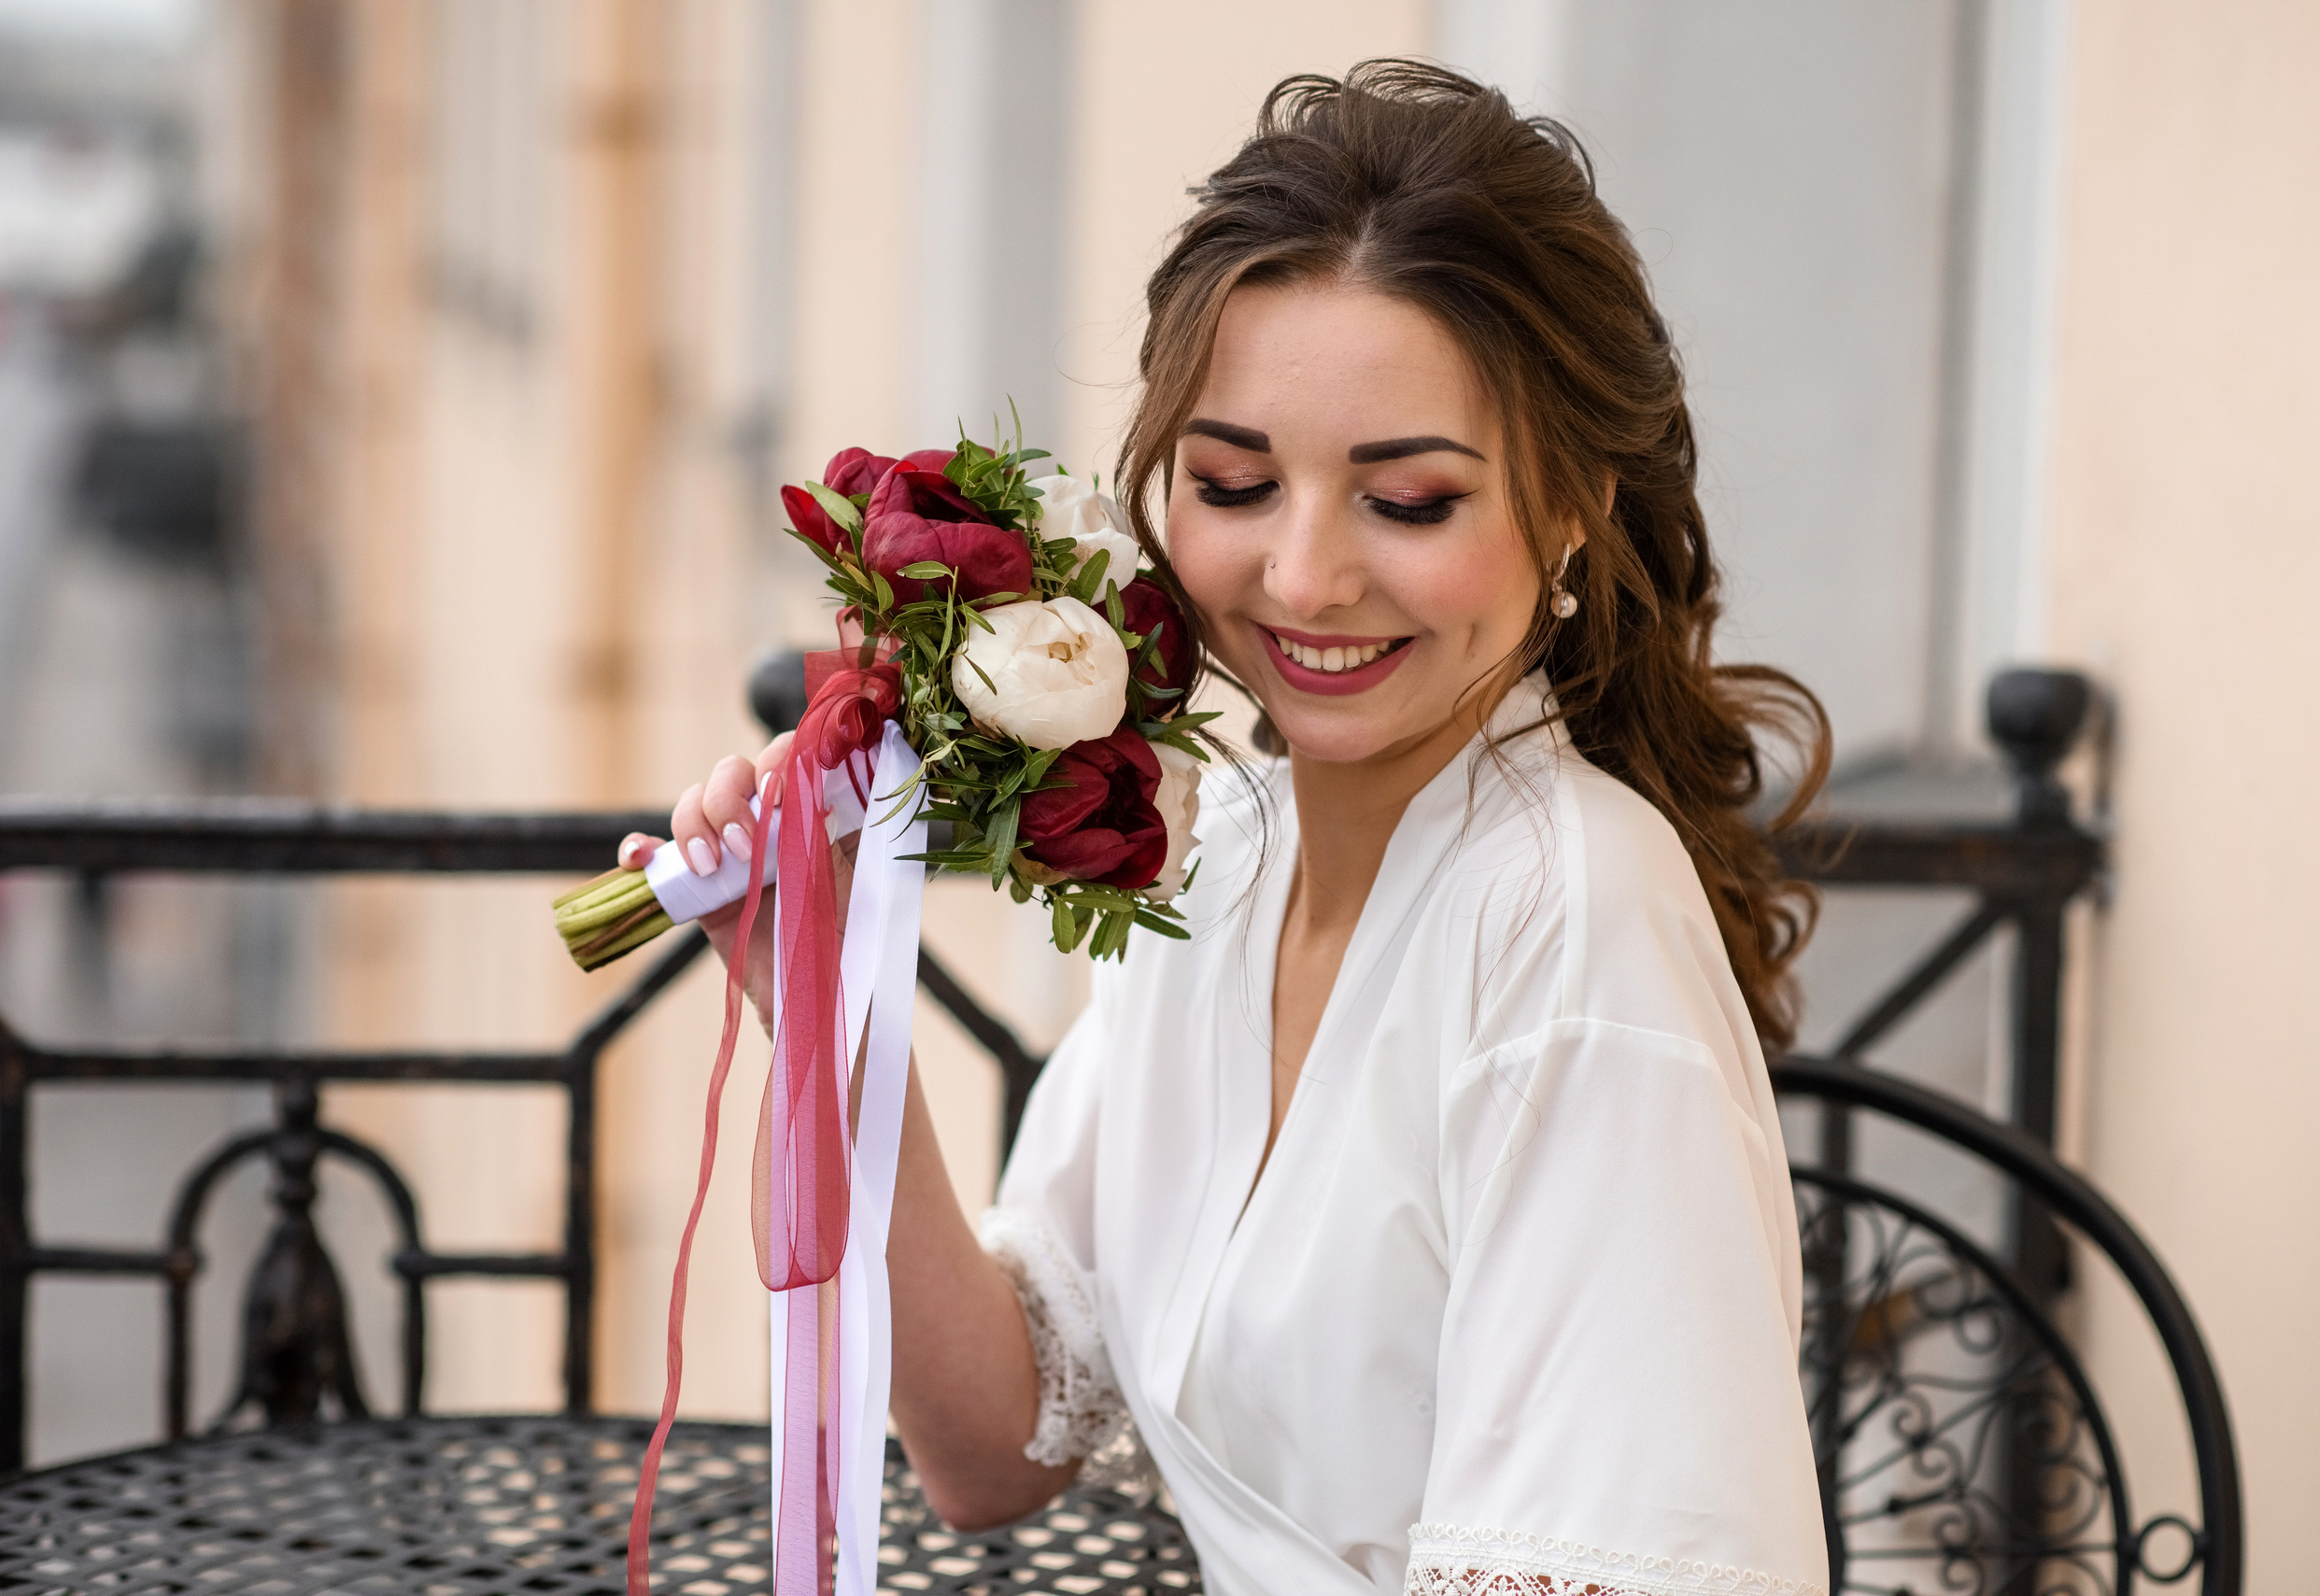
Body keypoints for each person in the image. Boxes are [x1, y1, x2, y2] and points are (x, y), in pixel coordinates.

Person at [623, 61, 1832, 1596]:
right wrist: (813, 983)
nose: (1306, 577)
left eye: (1408, 503)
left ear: (1573, 504)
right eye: (1236, 482)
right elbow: (994, 1441)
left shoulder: (1568, 918)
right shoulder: (1227, 853)